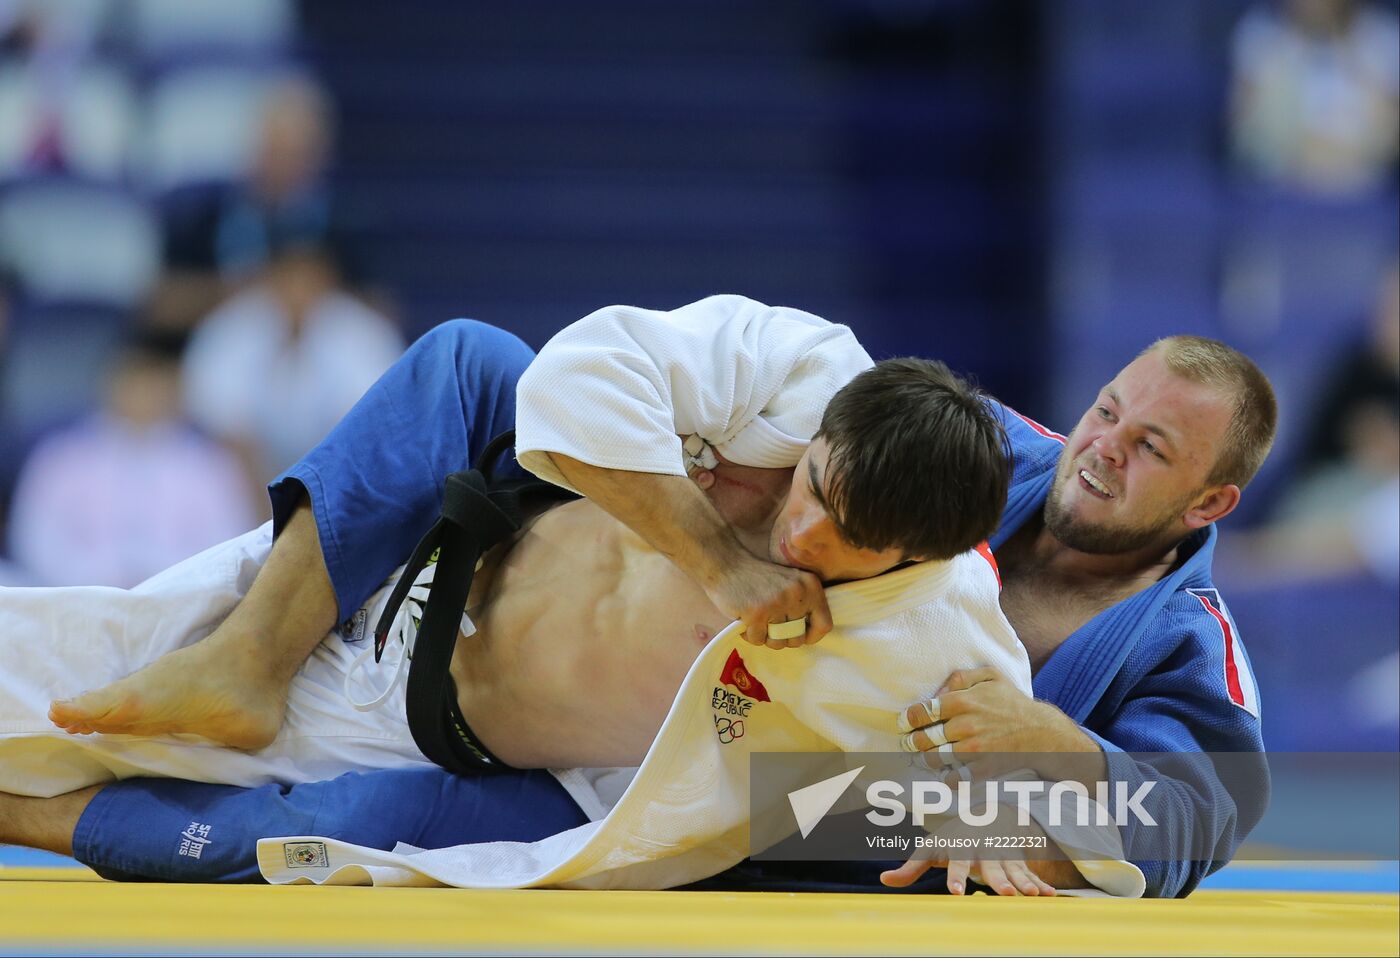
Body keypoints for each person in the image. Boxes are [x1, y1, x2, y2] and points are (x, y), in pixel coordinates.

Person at [14, 302, 1281, 897]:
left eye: (1151, 451)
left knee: (337, 842)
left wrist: (1028, 785)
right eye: (1110, 408)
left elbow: (1203, 819)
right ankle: (248, 653)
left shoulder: (1172, 643)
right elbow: (596, 372)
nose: (1102, 446)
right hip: (466, 585)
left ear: (1205, 506)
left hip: (659, 787)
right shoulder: (955, 436)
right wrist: (704, 529)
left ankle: (31, 813)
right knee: (471, 362)